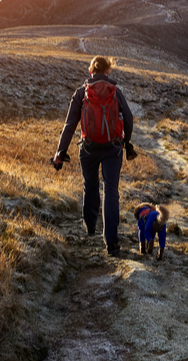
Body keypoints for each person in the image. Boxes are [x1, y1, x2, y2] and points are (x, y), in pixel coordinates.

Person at [52, 56, 135, 257]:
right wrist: (126, 141)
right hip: (112, 148)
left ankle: (90, 227)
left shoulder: (81, 93)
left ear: (91, 71)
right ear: (108, 71)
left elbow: (69, 124)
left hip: (87, 149)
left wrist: (60, 152)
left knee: (90, 185)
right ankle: (112, 243)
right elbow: (129, 118)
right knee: (111, 191)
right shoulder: (115, 92)